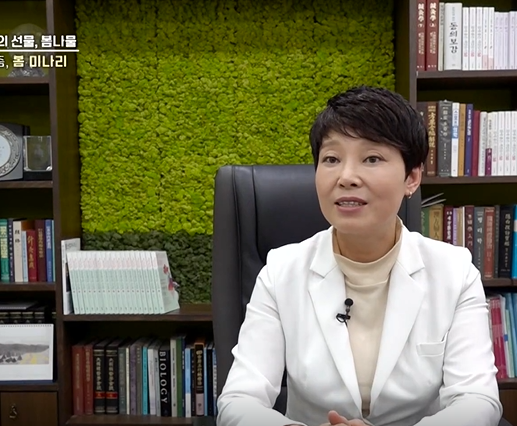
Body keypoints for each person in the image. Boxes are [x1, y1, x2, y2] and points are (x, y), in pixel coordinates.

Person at [215, 86, 502, 426]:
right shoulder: (281, 272)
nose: (346, 177)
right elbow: (239, 401)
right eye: (331, 159)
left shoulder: (454, 273)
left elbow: (477, 400)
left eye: (372, 158)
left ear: (411, 177)